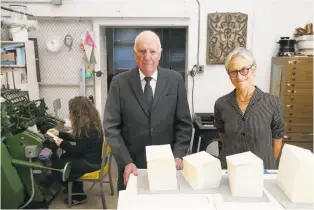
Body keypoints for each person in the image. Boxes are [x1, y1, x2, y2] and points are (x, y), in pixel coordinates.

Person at [103, 30, 193, 192]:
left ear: (160, 54)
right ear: (134, 53)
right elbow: (111, 127)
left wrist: (178, 154)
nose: (147, 56)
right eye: (142, 51)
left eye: (152, 51)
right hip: (132, 167)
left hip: (167, 166)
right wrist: (125, 162)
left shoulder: (175, 80)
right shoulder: (119, 83)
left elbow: (184, 123)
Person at [214, 47, 284, 170]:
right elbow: (223, 136)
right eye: (233, 72)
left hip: (261, 170)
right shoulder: (221, 104)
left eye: (244, 70)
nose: (239, 76)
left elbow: (277, 139)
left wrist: (267, 168)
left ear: (253, 69)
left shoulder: (273, 102)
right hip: (231, 169)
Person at [48, 96, 103, 205]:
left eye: (71, 111)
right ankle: (73, 189)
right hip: (91, 159)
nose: (70, 113)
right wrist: (59, 134)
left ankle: (78, 196)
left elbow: (77, 151)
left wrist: (61, 143)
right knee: (65, 158)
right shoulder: (90, 124)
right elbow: (77, 138)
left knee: (58, 167)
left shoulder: (88, 128)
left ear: (77, 112)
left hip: (90, 163)